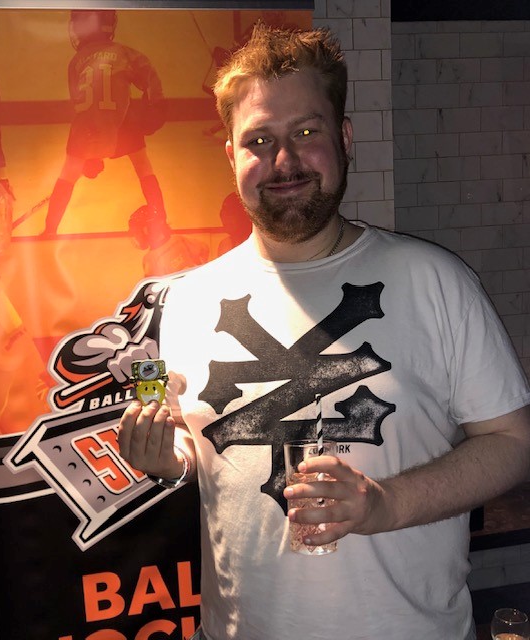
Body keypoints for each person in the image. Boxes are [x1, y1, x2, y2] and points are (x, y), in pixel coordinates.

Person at [117, 23, 530, 640]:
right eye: (259, 140)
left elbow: (514, 442)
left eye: (306, 132)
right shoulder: (188, 300)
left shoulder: (435, 280)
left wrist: (385, 504)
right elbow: (200, 451)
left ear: (345, 138)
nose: (283, 160)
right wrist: (166, 460)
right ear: (231, 156)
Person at [42, 9, 166, 236]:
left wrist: (91, 156)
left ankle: (50, 230)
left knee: (67, 176)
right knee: (143, 168)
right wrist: (155, 108)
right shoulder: (124, 53)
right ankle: (161, 221)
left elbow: (82, 105)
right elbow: (149, 77)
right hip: (122, 126)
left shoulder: (76, 61)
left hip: (86, 131)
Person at [128, 204, 209, 276]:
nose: (137, 237)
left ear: (148, 228)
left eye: (138, 232)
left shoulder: (150, 259)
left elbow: (151, 285)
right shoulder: (180, 239)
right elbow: (204, 248)